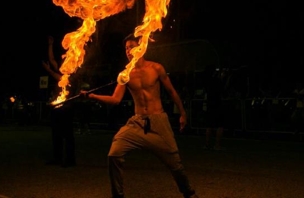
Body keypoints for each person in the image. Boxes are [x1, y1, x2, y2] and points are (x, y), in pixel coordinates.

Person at [81, 34, 198, 198]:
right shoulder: (125, 74)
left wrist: (183, 113)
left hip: (158, 122)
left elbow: (171, 91)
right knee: (114, 154)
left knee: (175, 163)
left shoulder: (156, 68)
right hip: (137, 123)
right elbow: (115, 99)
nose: (128, 50)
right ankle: (118, 195)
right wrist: (92, 96)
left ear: (141, 47)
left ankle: (189, 193)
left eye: (131, 46)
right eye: (126, 48)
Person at [42, 35, 76, 168]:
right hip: (57, 106)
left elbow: (58, 77)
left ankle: (70, 160)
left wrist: (48, 70)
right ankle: (57, 157)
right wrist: (50, 45)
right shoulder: (61, 67)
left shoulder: (72, 71)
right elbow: (51, 60)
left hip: (67, 106)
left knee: (67, 134)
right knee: (56, 133)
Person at [202, 65, 225, 151]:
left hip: (210, 104)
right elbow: (223, 91)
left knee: (209, 125)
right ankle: (217, 145)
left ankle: (207, 144)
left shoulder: (207, 82)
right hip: (217, 104)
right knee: (220, 125)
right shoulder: (217, 81)